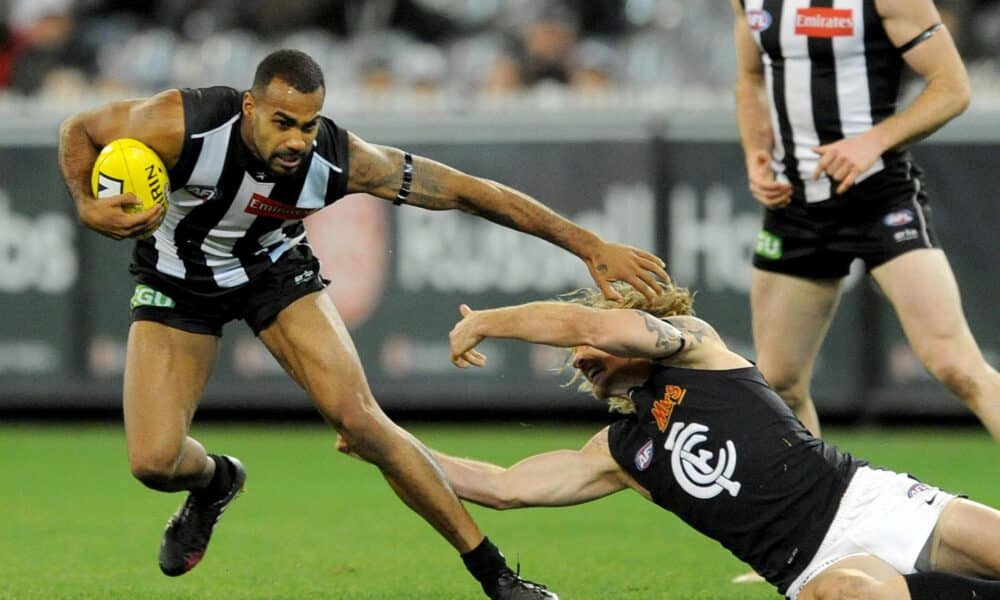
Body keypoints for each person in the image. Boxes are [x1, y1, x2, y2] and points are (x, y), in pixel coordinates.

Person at [57, 48, 669, 599]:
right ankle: (217, 481)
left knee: (364, 421)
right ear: (249, 107)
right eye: (282, 122)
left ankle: (496, 575)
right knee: (154, 464)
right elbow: (78, 129)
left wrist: (586, 244)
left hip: (275, 273)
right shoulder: (180, 123)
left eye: (308, 123)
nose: (297, 139)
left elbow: (468, 191)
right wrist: (87, 205)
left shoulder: (342, 160)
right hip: (175, 281)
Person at [352, 281, 1000, 599]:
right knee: (854, 595)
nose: (580, 358)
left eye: (587, 347)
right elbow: (500, 488)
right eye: (576, 358)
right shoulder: (619, 451)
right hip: (815, 568)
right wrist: (383, 438)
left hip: (872, 499)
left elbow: (588, 321)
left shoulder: (695, 349)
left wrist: (491, 320)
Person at [732, 0, 1000, 439]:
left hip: (880, 198)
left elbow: (952, 87)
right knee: (779, 382)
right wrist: (755, 152)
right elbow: (749, 77)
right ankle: (814, 508)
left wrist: (872, 141)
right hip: (794, 206)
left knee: (955, 364)